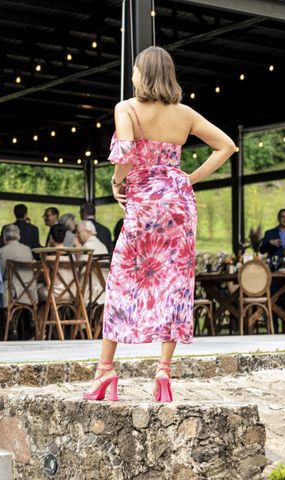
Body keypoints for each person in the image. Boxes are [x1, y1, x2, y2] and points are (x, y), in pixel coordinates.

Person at [85, 46, 235, 403]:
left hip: (144, 205)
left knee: (122, 281)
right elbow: (226, 146)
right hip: (180, 206)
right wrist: (188, 179)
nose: (133, 76)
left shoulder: (127, 108)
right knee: (175, 286)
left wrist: (117, 183)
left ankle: (105, 370)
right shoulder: (184, 113)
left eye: (135, 70)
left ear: (144, 73)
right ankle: (164, 372)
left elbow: (124, 153)